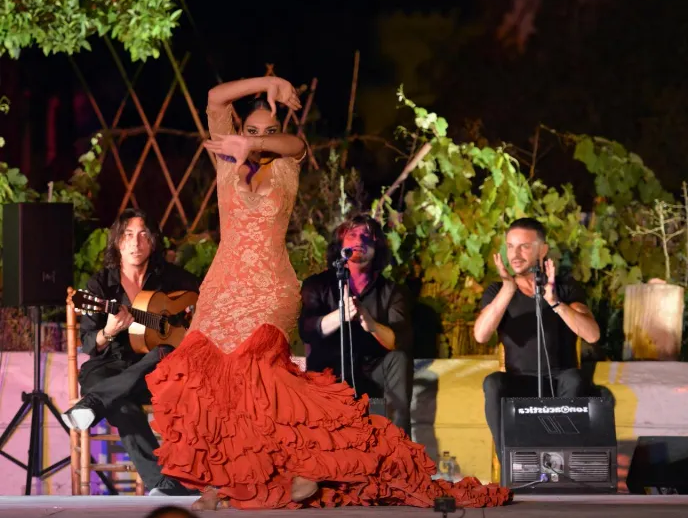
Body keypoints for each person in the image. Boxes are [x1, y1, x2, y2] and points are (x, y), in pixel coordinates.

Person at [144, 75, 511, 511]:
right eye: (251, 131)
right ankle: (223, 483)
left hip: (267, 288)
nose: (260, 138)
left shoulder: (285, 166)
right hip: (222, 287)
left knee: (259, 382)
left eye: (268, 130)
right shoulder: (227, 159)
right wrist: (270, 82)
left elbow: (295, 145)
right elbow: (213, 97)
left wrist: (263, 142)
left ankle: (303, 469)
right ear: (238, 133)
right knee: (206, 382)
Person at [62, 208, 201, 496]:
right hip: (110, 368)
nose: (135, 243)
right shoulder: (99, 286)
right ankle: (162, 484)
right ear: (116, 241)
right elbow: (89, 342)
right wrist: (109, 330)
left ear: (153, 241)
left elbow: (202, 300)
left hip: (155, 372)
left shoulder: (170, 278)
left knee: (163, 351)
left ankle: (93, 403)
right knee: (120, 403)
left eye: (142, 235)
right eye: (127, 235)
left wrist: (188, 318)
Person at [474, 217, 601, 457]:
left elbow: (592, 334)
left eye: (524, 246)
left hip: (560, 382)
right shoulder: (497, 291)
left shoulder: (564, 287)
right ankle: (511, 465)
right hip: (519, 382)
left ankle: (559, 464)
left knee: (574, 378)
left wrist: (554, 302)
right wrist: (507, 290)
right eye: (510, 246)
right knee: (493, 382)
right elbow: (481, 335)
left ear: (542, 250)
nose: (515, 253)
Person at [299, 215, 413, 435]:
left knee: (398, 359)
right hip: (330, 370)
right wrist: (339, 316)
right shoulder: (317, 285)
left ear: (377, 246)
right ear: (341, 244)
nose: (359, 240)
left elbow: (398, 341)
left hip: (374, 369)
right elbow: (307, 330)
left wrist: (370, 324)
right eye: (352, 235)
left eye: (367, 235)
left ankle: (401, 450)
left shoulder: (391, 292)